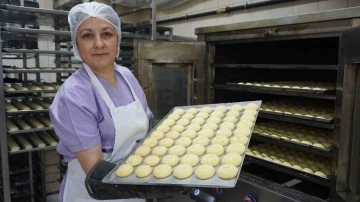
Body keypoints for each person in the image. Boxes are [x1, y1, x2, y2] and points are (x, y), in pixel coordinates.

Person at [49, 2, 186, 201]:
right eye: (87, 35)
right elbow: (96, 172)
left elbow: (147, 124)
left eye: (106, 34)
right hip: (94, 192)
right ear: (76, 43)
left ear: (117, 39)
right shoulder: (74, 95)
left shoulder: (126, 76)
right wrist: (157, 184)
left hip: (132, 188)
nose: (99, 44)